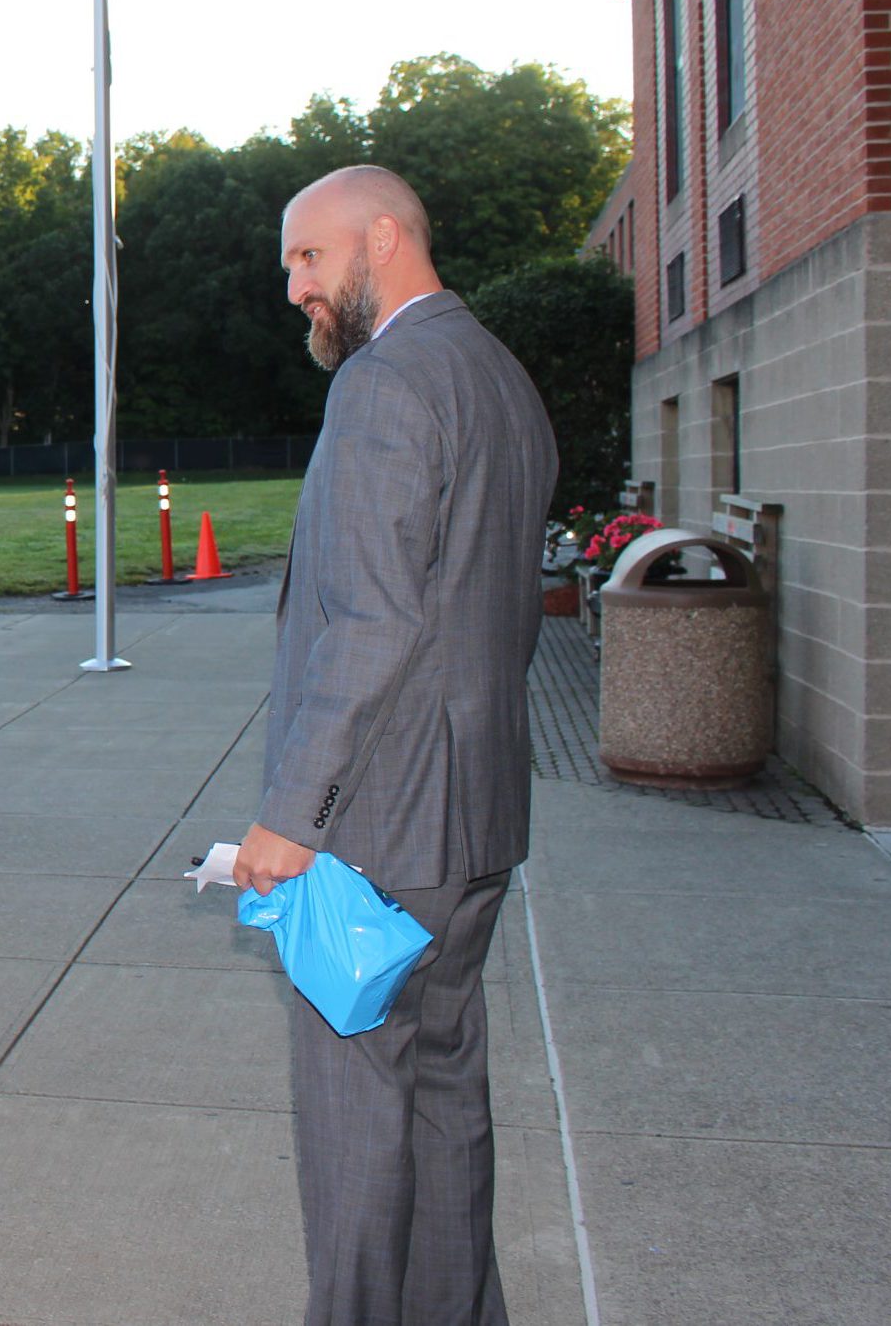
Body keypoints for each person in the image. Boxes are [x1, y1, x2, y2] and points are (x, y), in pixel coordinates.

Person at [235, 166, 557, 1326]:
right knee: (441, 1093)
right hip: (473, 819)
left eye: (308, 259)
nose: (294, 288)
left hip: (376, 826)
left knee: (356, 1119)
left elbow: (373, 623)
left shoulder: (386, 384)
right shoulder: (498, 374)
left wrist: (290, 815)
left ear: (383, 238)